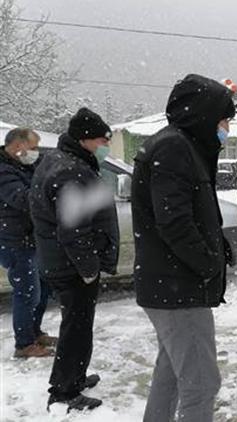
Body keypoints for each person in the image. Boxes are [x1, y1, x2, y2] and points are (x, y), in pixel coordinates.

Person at [132, 74, 236, 422]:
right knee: (201, 385)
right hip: (178, 289)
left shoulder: (178, 144)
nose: (226, 128)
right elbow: (174, 222)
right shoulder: (175, 147)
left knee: (172, 372)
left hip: (168, 286)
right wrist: (208, 263)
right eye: (224, 120)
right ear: (204, 115)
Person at [29, 108, 119, 410]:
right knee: (76, 329)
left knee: (75, 326)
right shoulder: (71, 171)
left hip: (58, 261)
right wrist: (89, 269)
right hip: (71, 267)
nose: (104, 146)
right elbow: (73, 230)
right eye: (101, 140)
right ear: (84, 140)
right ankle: (66, 390)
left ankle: (73, 376)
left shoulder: (58, 160)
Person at [0, 128, 57, 359]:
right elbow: (22, 199)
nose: (35, 153)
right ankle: (24, 344)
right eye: (32, 148)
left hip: (32, 238)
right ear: (17, 147)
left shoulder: (23, 165)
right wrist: (52, 191)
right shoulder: (4, 171)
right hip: (14, 241)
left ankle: (35, 332)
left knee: (42, 289)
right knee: (27, 293)